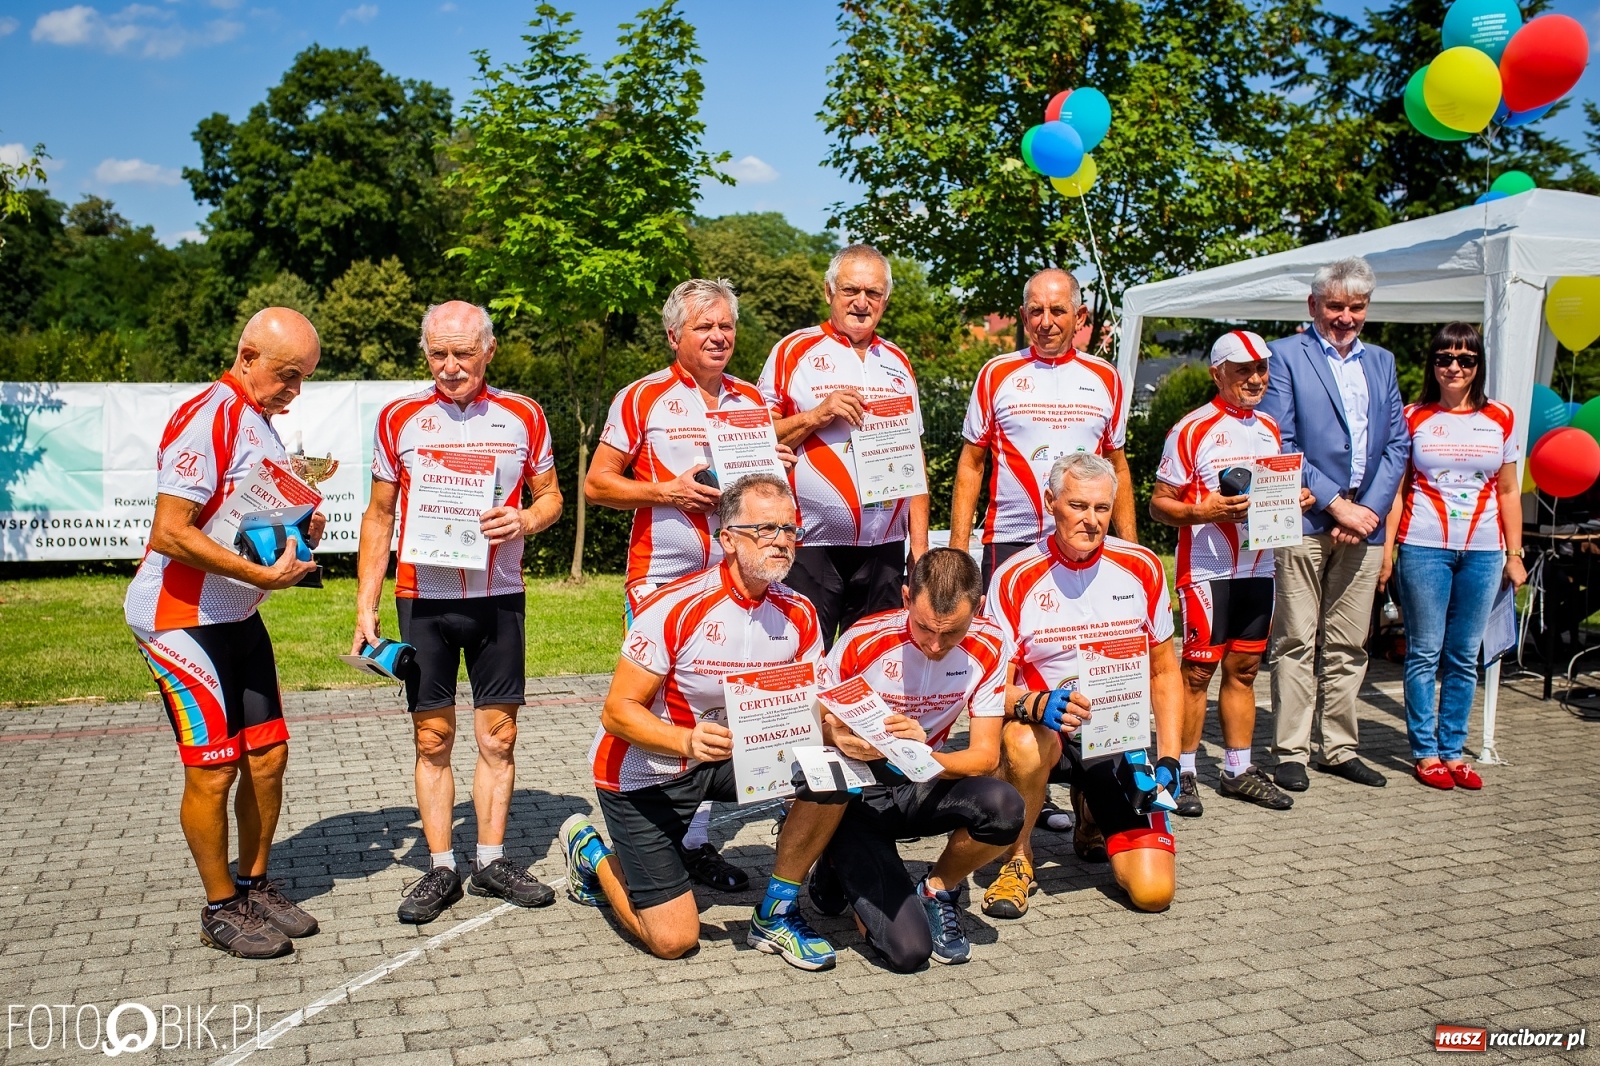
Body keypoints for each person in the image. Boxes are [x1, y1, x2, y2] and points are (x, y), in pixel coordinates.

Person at [560, 475, 846, 970]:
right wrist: (685, 739)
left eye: (790, 529)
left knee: (832, 777)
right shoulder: (674, 605)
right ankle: (591, 851)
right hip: (644, 772)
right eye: (766, 529)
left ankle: (775, 913)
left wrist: (848, 732)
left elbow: (813, 706)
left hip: (733, 756)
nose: (781, 540)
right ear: (728, 538)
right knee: (674, 940)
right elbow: (617, 712)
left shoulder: (800, 611)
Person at [353, 301, 564, 924]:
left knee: (498, 736)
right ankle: (441, 867)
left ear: (488, 352)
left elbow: (551, 497)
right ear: (426, 354)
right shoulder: (399, 419)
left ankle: (492, 860)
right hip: (424, 597)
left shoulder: (523, 414)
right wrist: (365, 600)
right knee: (433, 736)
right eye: (438, 354)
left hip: (498, 595)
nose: (450, 367)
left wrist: (524, 518)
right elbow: (379, 514)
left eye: (463, 354)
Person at [125, 307, 326, 959]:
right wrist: (257, 573)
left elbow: (243, 517)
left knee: (267, 759)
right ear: (246, 358)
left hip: (236, 612)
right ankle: (219, 907)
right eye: (287, 375)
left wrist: (299, 530)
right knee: (214, 772)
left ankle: (255, 884)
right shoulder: (208, 413)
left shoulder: (261, 425)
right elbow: (170, 531)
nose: (294, 391)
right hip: (178, 619)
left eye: (304, 380)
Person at [584, 278, 790, 893]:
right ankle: (631, 830)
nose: (720, 336)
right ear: (676, 335)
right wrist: (665, 490)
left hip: (736, 576)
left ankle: (693, 842)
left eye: (726, 326)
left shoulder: (753, 401)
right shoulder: (642, 397)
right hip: (662, 580)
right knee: (648, 704)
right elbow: (597, 485)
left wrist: (784, 471)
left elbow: (766, 486)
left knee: (719, 702)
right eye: (705, 327)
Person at [982, 453, 1182, 918]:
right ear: (1051, 502)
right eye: (1077, 506)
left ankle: (1090, 816)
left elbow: (1163, 671)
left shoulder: (1144, 567)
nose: (1091, 521)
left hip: (1116, 737)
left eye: (1102, 509)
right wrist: (1035, 703)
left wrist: (1171, 757)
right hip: (1046, 733)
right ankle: (1018, 858)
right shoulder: (1013, 576)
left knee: (1153, 894)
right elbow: (990, 689)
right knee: (1021, 739)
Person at [801, 548, 1021, 969]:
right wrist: (841, 735)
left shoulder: (991, 643)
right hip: (858, 793)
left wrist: (921, 753)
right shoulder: (863, 639)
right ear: (905, 597)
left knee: (1005, 806)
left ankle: (937, 888)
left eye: (952, 632)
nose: (935, 644)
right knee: (909, 952)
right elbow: (813, 722)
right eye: (923, 627)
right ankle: (832, 856)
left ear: (977, 609)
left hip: (921, 779)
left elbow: (983, 757)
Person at [1257, 257, 1409, 793]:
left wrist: (1366, 508)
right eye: (1336, 306)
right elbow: (1281, 440)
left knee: (1349, 642)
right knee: (1296, 640)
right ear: (1314, 305)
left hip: (1364, 522)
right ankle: (1291, 750)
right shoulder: (1285, 356)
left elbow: (1397, 443)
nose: (1346, 317)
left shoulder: (1383, 361)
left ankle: (1339, 747)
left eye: (1357, 307)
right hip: (1303, 517)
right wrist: (1336, 504)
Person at [1150, 332, 1312, 816]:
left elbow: (1271, 494)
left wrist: (1294, 498)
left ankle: (1238, 770)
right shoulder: (1191, 428)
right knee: (1197, 672)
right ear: (1216, 372)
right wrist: (1206, 510)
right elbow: (1160, 505)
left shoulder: (1268, 426)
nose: (1255, 378)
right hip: (1207, 569)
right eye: (1243, 369)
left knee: (1244, 670)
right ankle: (1183, 772)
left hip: (1259, 566)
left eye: (1261, 368)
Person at [758, 243, 929, 648]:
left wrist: (918, 550)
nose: (861, 302)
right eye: (850, 290)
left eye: (873, 293)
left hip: (884, 547)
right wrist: (817, 415)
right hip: (809, 543)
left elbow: (914, 458)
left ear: (885, 301)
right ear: (828, 292)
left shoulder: (899, 362)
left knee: (872, 665)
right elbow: (754, 438)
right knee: (804, 662)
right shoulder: (792, 350)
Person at [1380, 323, 1526, 791]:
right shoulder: (1412, 415)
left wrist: (1515, 553)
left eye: (1466, 359)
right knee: (1424, 652)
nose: (1455, 367)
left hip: (1484, 551)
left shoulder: (1501, 416)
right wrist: (1387, 551)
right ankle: (1425, 752)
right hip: (1423, 546)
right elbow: (1398, 491)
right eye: (1445, 358)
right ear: (1433, 365)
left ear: (1478, 365)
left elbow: (1508, 491)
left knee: (1464, 655)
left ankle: (1454, 750)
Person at [950, 268, 1136, 586]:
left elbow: (1116, 467)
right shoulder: (996, 373)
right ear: (1024, 316)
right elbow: (971, 464)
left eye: (1057, 310)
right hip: (1010, 540)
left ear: (1079, 316)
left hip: (1085, 538)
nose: (1045, 322)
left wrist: (1131, 549)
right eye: (1036, 311)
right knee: (1004, 637)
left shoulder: (1106, 377)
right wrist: (958, 551)